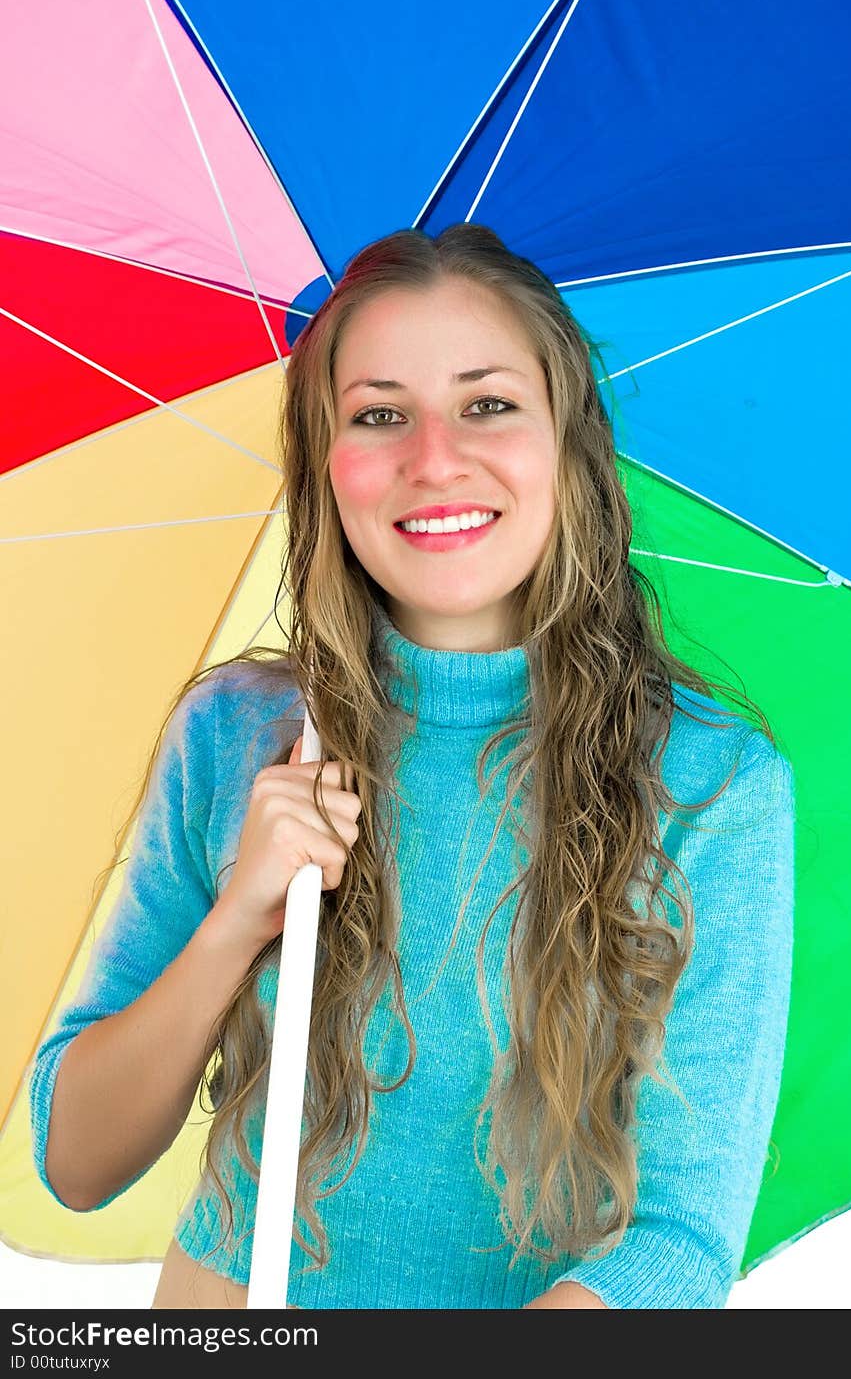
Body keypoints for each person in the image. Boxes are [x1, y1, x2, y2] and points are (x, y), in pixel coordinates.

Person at [29, 223, 795, 1310]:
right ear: (326, 463)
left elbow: (678, 1239)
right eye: (378, 413)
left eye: (487, 402)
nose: (433, 457)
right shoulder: (235, 731)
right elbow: (78, 1159)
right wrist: (239, 913)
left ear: (568, 444)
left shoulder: (714, 785)